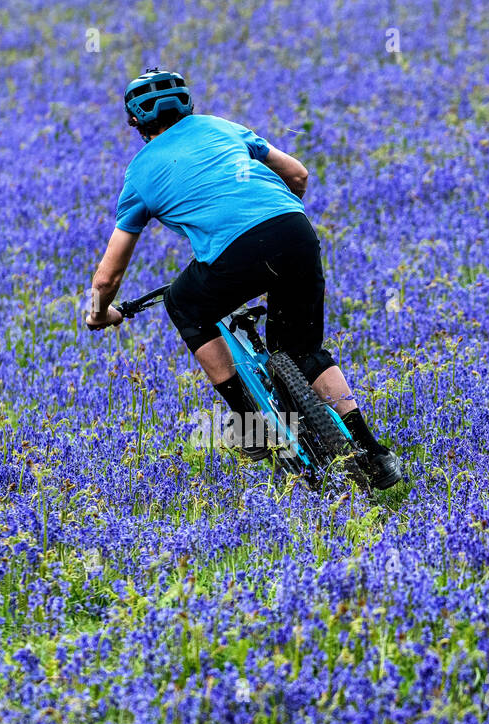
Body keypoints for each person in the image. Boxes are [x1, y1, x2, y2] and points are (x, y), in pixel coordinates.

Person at [86, 67, 403, 490]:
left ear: (136, 122)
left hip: (235, 255)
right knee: (304, 351)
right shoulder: (222, 128)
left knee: (184, 303)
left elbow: (109, 276)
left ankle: (251, 422)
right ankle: (372, 453)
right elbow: (298, 175)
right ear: (187, 105)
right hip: (293, 229)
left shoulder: (139, 174)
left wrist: (101, 312)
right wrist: (272, 221)